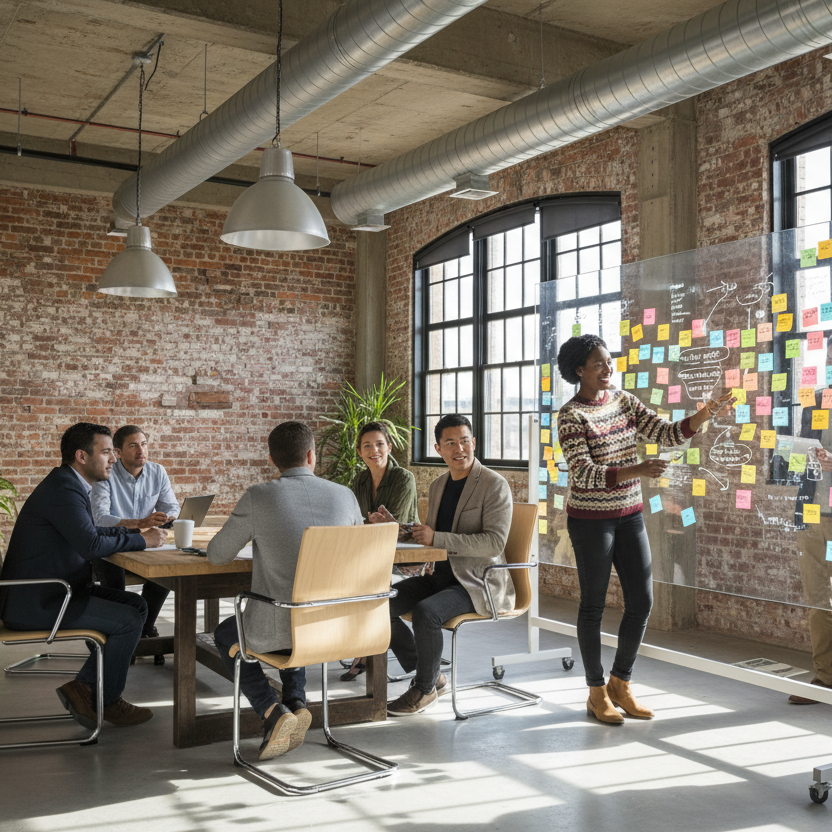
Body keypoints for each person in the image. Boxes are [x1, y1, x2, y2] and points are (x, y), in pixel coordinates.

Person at [556, 334, 733, 724]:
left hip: (629, 514)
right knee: (593, 606)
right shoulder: (570, 415)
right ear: (578, 371)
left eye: (609, 360)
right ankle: (596, 690)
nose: (608, 368)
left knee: (642, 602)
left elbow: (666, 434)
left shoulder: (625, 402)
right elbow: (583, 475)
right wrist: (638, 470)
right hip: (590, 521)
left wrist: (703, 415)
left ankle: (621, 682)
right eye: (598, 363)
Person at [208, 421, 365, 760]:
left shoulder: (259, 497)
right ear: (311, 455)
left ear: (272, 459)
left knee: (225, 634)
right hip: (338, 628)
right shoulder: (345, 496)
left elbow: (217, 555)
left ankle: (271, 711)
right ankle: (295, 701)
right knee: (297, 605)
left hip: (284, 629)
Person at [0, 423, 166, 729]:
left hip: (56, 591)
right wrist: (143, 540)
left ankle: (85, 687)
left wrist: (134, 530)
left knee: (138, 606)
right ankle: (108, 700)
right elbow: (90, 545)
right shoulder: (64, 489)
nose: (113, 459)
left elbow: (88, 532)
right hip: (39, 601)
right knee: (128, 620)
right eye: (105, 452)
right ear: (82, 456)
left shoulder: (67, 483)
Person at [383, 413, 514, 716]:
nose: (460, 449)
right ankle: (430, 676)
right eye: (451, 443)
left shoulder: (494, 485)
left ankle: (424, 689)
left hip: (477, 581)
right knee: (380, 605)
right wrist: (397, 528)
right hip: (439, 574)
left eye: (465, 441)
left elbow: (493, 544)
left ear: (474, 442)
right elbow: (430, 535)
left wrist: (437, 537)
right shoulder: (439, 484)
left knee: (426, 612)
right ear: (438, 449)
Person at [91, 424, 180, 663]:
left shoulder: (157, 471)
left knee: (164, 573)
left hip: (143, 542)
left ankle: (142, 630)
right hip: (109, 544)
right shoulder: (105, 474)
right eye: (133, 446)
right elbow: (99, 518)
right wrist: (140, 522)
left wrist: (166, 517)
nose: (141, 451)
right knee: (114, 580)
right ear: (118, 452)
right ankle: (118, 633)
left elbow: (172, 506)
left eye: (144, 444)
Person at [341, 421, 420, 682]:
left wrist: (375, 525)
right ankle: (365, 649)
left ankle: (419, 667)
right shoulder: (360, 479)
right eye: (367, 445)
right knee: (345, 585)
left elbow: (394, 527)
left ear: (389, 446)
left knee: (370, 596)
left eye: (379, 444)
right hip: (370, 553)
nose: (374, 450)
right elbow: (356, 521)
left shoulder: (403, 478)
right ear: (359, 451)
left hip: (406, 556)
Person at [790, 370, 832, 705]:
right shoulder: (814, 399)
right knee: (817, 598)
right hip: (812, 513)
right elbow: (800, 453)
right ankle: (825, 675)